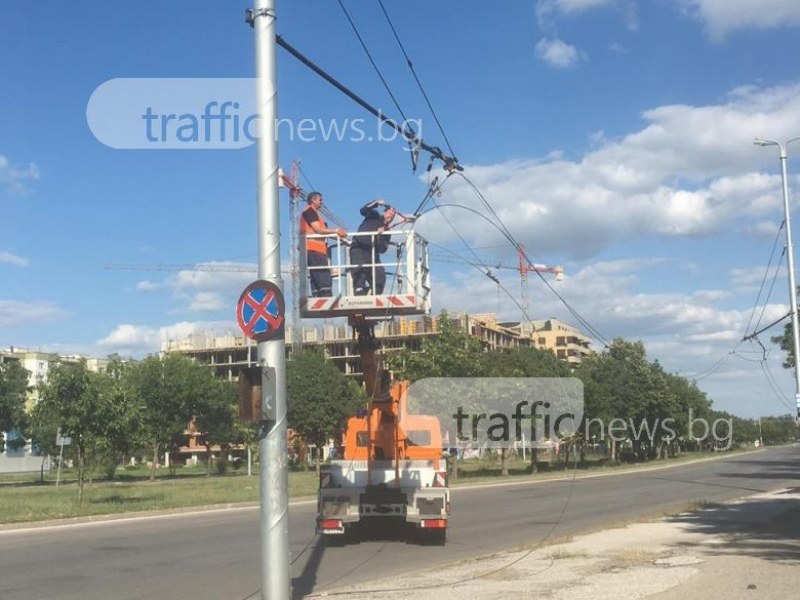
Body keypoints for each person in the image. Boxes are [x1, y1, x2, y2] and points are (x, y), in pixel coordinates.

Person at [300, 191, 347, 297]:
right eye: (320, 200)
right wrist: (336, 231)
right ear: (313, 200)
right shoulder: (310, 211)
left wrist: (338, 235)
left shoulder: (313, 213)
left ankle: (318, 295)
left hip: (313, 249)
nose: (321, 202)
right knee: (322, 274)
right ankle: (325, 296)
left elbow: (321, 231)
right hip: (314, 249)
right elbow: (318, 230)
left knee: (316, 275)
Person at [350, 199, 397, 295]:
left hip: (372, 254)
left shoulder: (387, 231)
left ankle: (372, 295)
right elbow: (363, 210)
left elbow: (383, 249)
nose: (391, 216)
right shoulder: (373, 215)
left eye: (393, 215)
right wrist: (376, 202)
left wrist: (379, 235)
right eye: (389, 213)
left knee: (380, 278)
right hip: (359, 248)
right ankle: (360, 291)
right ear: (384, 212)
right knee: (359, 272)